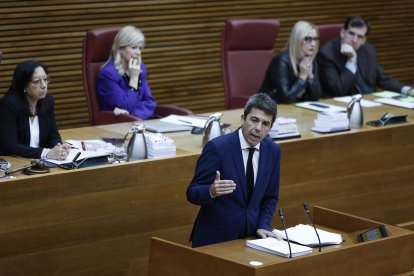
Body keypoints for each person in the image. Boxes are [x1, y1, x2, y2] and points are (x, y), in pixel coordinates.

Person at [186, 93, 282, 247]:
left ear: (270, 127)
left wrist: (263, 224)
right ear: (243, 118)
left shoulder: (273, 151)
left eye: (265, 124)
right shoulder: (218, 148)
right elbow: (192, 192)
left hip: (251, 239)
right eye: (254, 120)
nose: (258, 128)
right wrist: (211, 191)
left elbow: (270, 196)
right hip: (215, 240)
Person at [318, 16, 414, 97]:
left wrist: (407, 90)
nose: (354, 40)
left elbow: (382, 78)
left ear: (364, 40)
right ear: (343, 32)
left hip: (370, 101)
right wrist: (351, 61)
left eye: (360, 36)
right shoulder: (327, 54)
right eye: (351, 34)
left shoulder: (368, 50)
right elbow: (339, 90)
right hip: (344, 106)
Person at [0, 60, 69, 160]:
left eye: (45, 79)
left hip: (40, 164)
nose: (44, 85)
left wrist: (58, 148)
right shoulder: (9, 106)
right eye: (37, 81)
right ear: (23, 85)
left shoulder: (48, 102)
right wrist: (46, 153)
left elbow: (53, 136)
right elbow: (10, 147)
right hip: (15, 163)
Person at [96, 25, 156, 120]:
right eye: (133, 47)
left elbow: (150, 102)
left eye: (140, 48)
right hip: (116, 127)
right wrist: (134, 79)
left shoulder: (140, 68)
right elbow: (125, 107)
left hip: (140, 122)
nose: (138, 53)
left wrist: (133, 114)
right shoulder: (107, 75)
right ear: (120, 49)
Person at [260, 20, 322, 103]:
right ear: (298, 40)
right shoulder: (281, 61)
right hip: (268, 107)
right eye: (308, 39)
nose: (313, 44)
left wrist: (310, 77)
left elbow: (316, 97)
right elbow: (286, 97)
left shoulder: (310, 60)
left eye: (315, 39)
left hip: (294, 108)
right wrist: (303, 77)